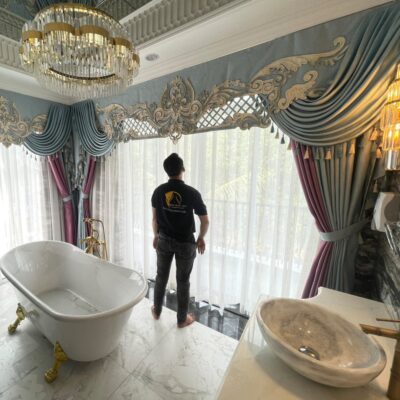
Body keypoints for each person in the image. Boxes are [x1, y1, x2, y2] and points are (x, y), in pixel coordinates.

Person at [151, 153, 209, 328]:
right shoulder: (192, 193)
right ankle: (182, 319)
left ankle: (157, 311)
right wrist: (201, 238)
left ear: (167, 171)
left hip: (164, 240)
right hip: (185, 243)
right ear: (182, 169)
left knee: (161, 276)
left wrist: (156, 235)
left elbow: (154, 219)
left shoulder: (158, 191)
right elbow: (205, 221)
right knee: (183, 281)